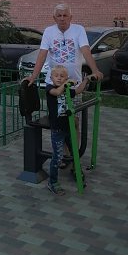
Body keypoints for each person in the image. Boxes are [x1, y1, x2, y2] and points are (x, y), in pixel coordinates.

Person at [24, 3, 104, 87]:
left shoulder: (79, 30)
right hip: (53, 83)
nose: (62, 19)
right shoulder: (48, 31)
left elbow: (86, 51)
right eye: (59, 16)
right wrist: (33, 76)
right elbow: (42, 55)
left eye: (65, 15)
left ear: (70, 17)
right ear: (54, 18)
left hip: (74, 82)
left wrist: (95, 71)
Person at [46, 65, 89, 195]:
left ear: (66, 78)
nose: (59, 78)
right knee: (57, 157)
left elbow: (78, 91)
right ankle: (52, 182)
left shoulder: (67, 90)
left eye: (62, 76)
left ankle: (76, 171)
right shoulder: (50, 88)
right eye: (56, 76)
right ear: (51, 77)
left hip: (68, 127)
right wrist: (66, 84)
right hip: (57, 129)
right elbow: (57, 93)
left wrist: (86, 80)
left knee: (74, 151)